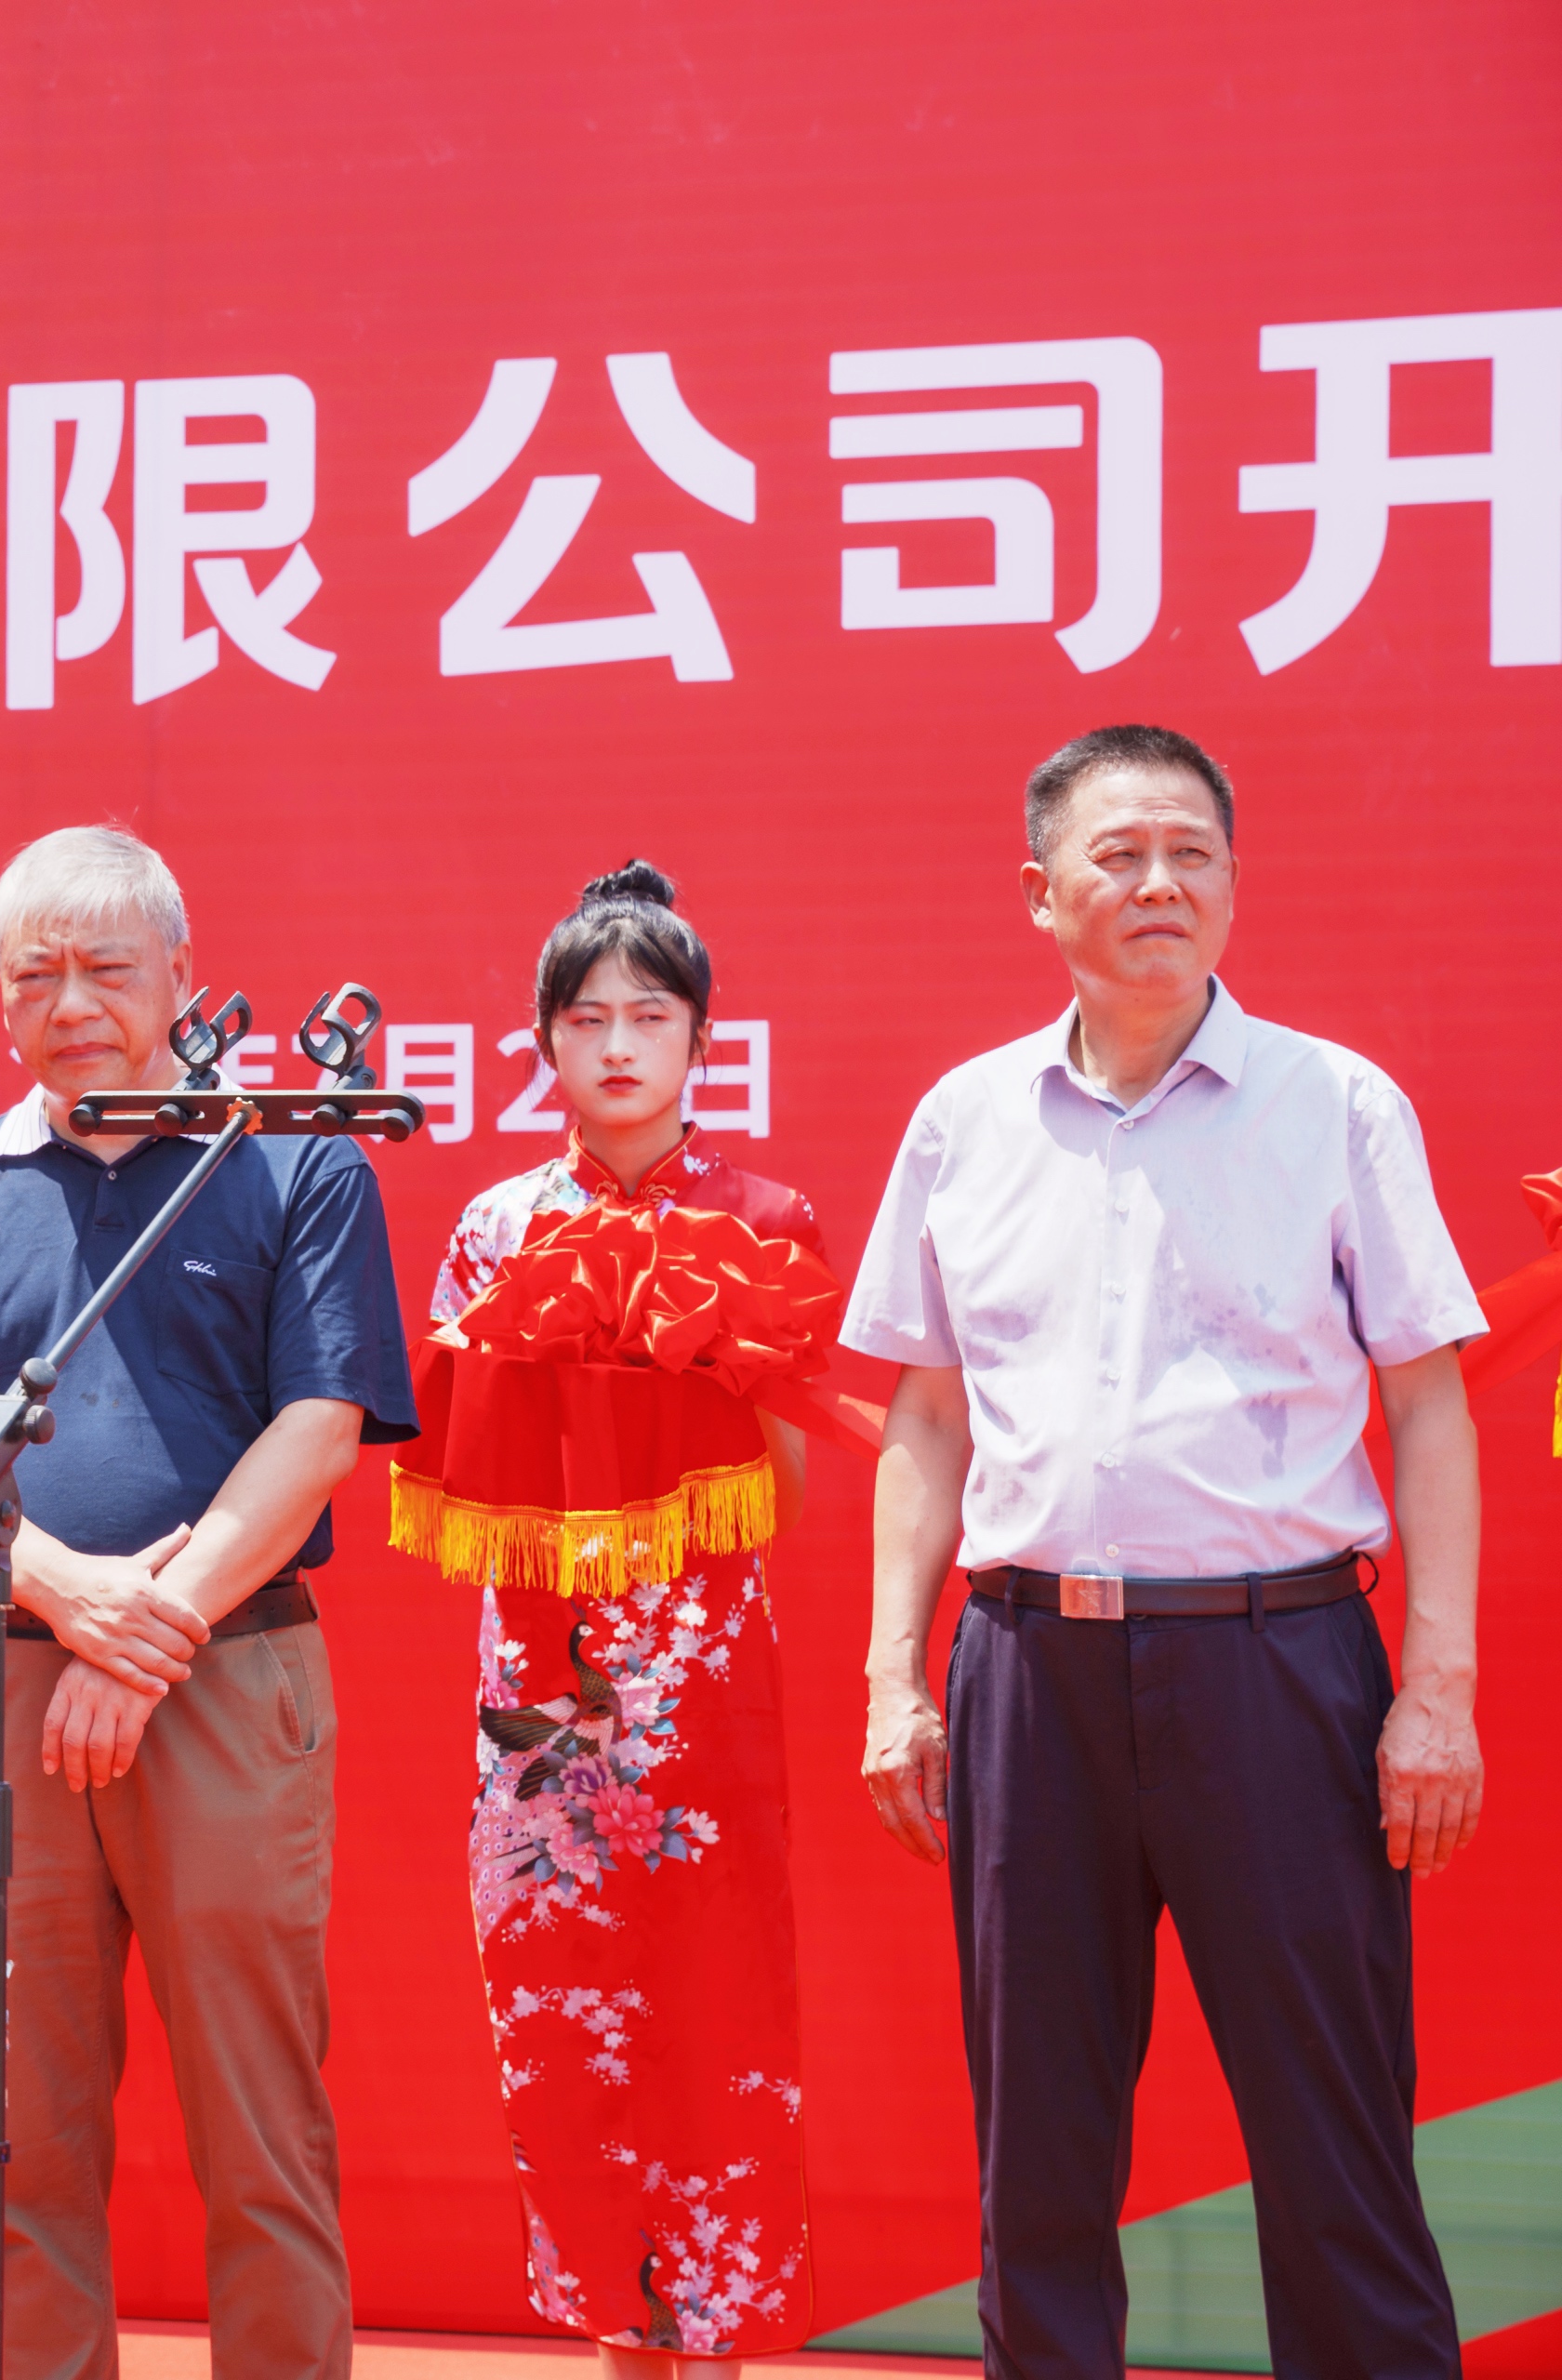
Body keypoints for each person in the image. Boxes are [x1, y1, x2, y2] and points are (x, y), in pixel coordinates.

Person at [845, 726, 1484, 2380]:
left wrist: (1438, 1692)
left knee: (1334, 2132)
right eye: (1119, 854)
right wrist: (895, 1680)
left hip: (1278, 1666)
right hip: (1026, 1671)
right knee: (1039, 2142)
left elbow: (1428, 1406)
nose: (1160, 885)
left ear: (1234, 883)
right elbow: (927, 1419)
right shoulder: (966, 1120)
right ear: (1039, 890)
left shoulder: (1337, 1105)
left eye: (1193, 854)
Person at [0, 825, 412, 2380]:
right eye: (34, 976)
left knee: (261, 2125)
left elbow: (319, 1427)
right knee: (16, 2134)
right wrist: (66, 1601)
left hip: (224, 1681)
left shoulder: (292, 1158)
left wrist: (145, 1637)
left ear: (184, 976)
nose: (70, 1004)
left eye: (107, 969)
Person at [421, 864, 821, 2373]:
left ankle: (716, 2342)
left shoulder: (766, 1220)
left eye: (650, 1016)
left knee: (717, 2006)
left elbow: (788, 1486)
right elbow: (450, 1479)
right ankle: (616, 2331)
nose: (618, 1047)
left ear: (703, 1037)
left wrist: (711, 1356)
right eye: (585, 1020)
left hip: (704, 1687)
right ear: (542, 1043)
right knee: (560, 2011)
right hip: (539, 1692)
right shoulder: (495, 1228)